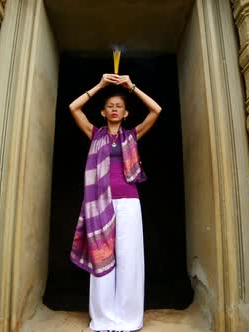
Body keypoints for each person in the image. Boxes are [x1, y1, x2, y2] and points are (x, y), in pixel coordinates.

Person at [68, 73, 162, 332]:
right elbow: (73, 107)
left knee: (129, 258)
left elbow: (156, 110)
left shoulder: (132, 134)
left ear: (126, 113)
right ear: (102, 111)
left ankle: (128, 319)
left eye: (119, 106)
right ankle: (103, 319)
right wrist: (100, 85)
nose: (114, 109)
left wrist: (131, 86)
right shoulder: (94, 133)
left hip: (129, 202)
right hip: (100, 205)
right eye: (110, 106)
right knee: (101, 258)